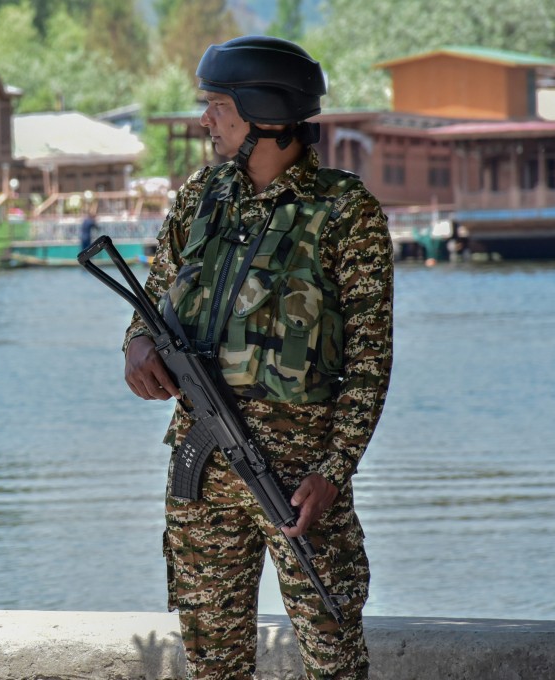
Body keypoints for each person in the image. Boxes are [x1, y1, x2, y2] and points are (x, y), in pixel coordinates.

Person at [121, 36, 393, 679]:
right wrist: (136, 348)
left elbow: (370, 363)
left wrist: (333, 471)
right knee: (214, 660)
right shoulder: (198, 197)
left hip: (299, 486)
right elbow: (152, 298)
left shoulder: (345, 212)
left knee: (333, 655)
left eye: (217, 105)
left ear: (262, 114)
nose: (204, 120)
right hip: (202, 471)